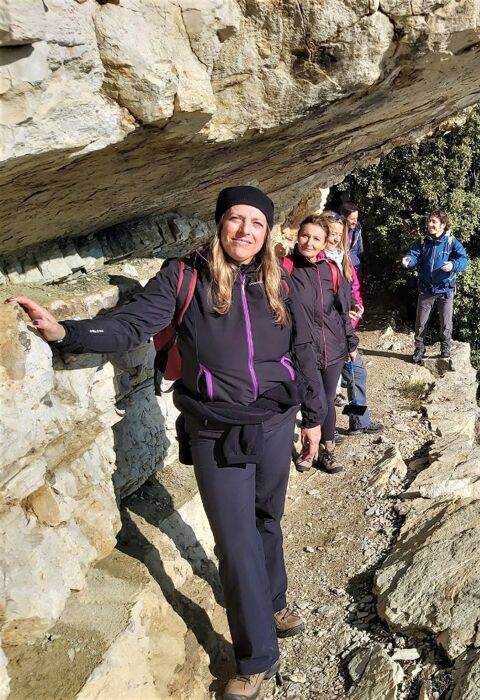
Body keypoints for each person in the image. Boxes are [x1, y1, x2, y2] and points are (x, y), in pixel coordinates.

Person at [7, 186, 325, 700]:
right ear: (220, 223)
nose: (245, 230)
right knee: (237, 538)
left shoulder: (281, 283)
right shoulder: (184, 277)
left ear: (267, 233)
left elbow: (305, 349)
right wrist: (67, 332)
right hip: (215, 428)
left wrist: (315, 417)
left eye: (256, 223)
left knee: (268, 517)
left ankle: (275, 599)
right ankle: (256, 658)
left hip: (273, 421)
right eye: (236, 220)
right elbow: (133, 324)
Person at [286, 214, 359, 473]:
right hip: (302, 348)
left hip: (334, 347)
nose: (309, 242)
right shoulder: (285, 268)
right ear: (298, 236)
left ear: (325, 241)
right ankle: (309, 449)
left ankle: (327, 451)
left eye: (316, 238)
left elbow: (342, 310)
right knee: (312, 397)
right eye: (305, 236)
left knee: (327, 399)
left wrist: (350, 343)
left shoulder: (331, 270)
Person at [322, 211, 383, 436]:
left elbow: (351, 288)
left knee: (357, 373)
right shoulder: (318, 260)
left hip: (344, 330)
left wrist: (356, 305)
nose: (335, 237)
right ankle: (329, 431)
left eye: (339, 233)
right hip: (328, 333)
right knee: (331, 383)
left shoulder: (342, 257)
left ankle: (357, 421)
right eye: (331, 232)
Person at [401, 210, 468, 363]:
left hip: (445, 289)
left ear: (443, 225)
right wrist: (407, 261)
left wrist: (453, 265)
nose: (430, 224)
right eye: (429, 221)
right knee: (421, 322)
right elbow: (412, 255)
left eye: (434, 222)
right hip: (427, 288)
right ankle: (419, 348)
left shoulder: (452, 242)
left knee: (445, 321)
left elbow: (463, 260)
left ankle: (445, 346)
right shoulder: (423, 241)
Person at [340, 201, 363, 273]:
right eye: (352, 219)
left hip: (354, 265)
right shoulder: (337, 231)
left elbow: (359, 249)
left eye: (356, 218)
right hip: (341, 267)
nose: (355, 222)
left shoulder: (357, 228)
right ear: (344, 217)